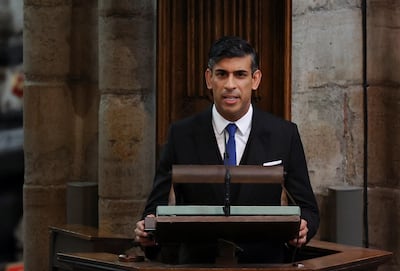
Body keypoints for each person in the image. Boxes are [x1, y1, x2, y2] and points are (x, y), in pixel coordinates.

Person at [134, 36, 319, 264]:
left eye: (240, 75)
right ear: (209, 79)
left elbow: (308, 209)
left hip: (264, 264)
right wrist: (148, 227)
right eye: (222, 74)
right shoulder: (180, 135)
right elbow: (155, 207)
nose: (230, 85)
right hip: (197, 264)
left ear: (255, 79)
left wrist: (303, 229)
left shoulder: (285, 134)